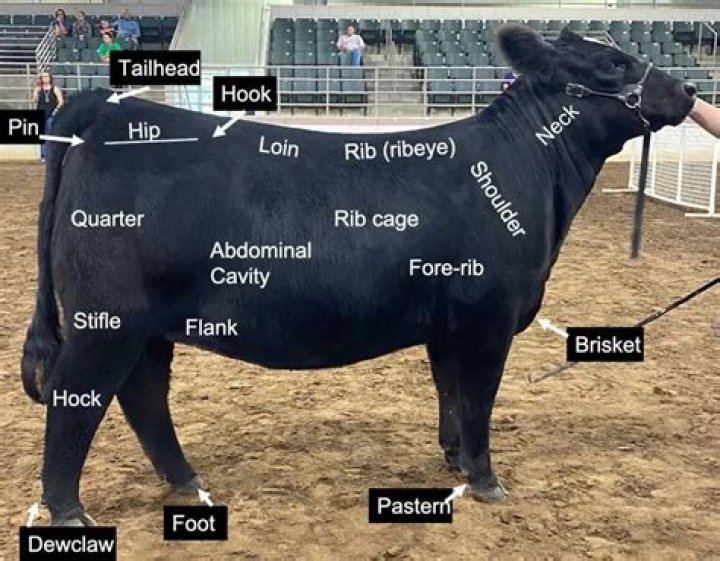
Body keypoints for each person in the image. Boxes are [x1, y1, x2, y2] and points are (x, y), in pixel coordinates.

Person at [32, 70, 64, 162]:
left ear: (50, 78)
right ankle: (43, 155)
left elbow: (61, 101)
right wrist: (35, 92)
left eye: (46, 77)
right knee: (42, 135)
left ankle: (50, 154)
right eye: (43, 77)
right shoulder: (39, 89)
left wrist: (55, 111)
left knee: (50, 134)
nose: (45, 79)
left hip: (51, 115)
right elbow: (34, 100)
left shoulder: (55, 89)